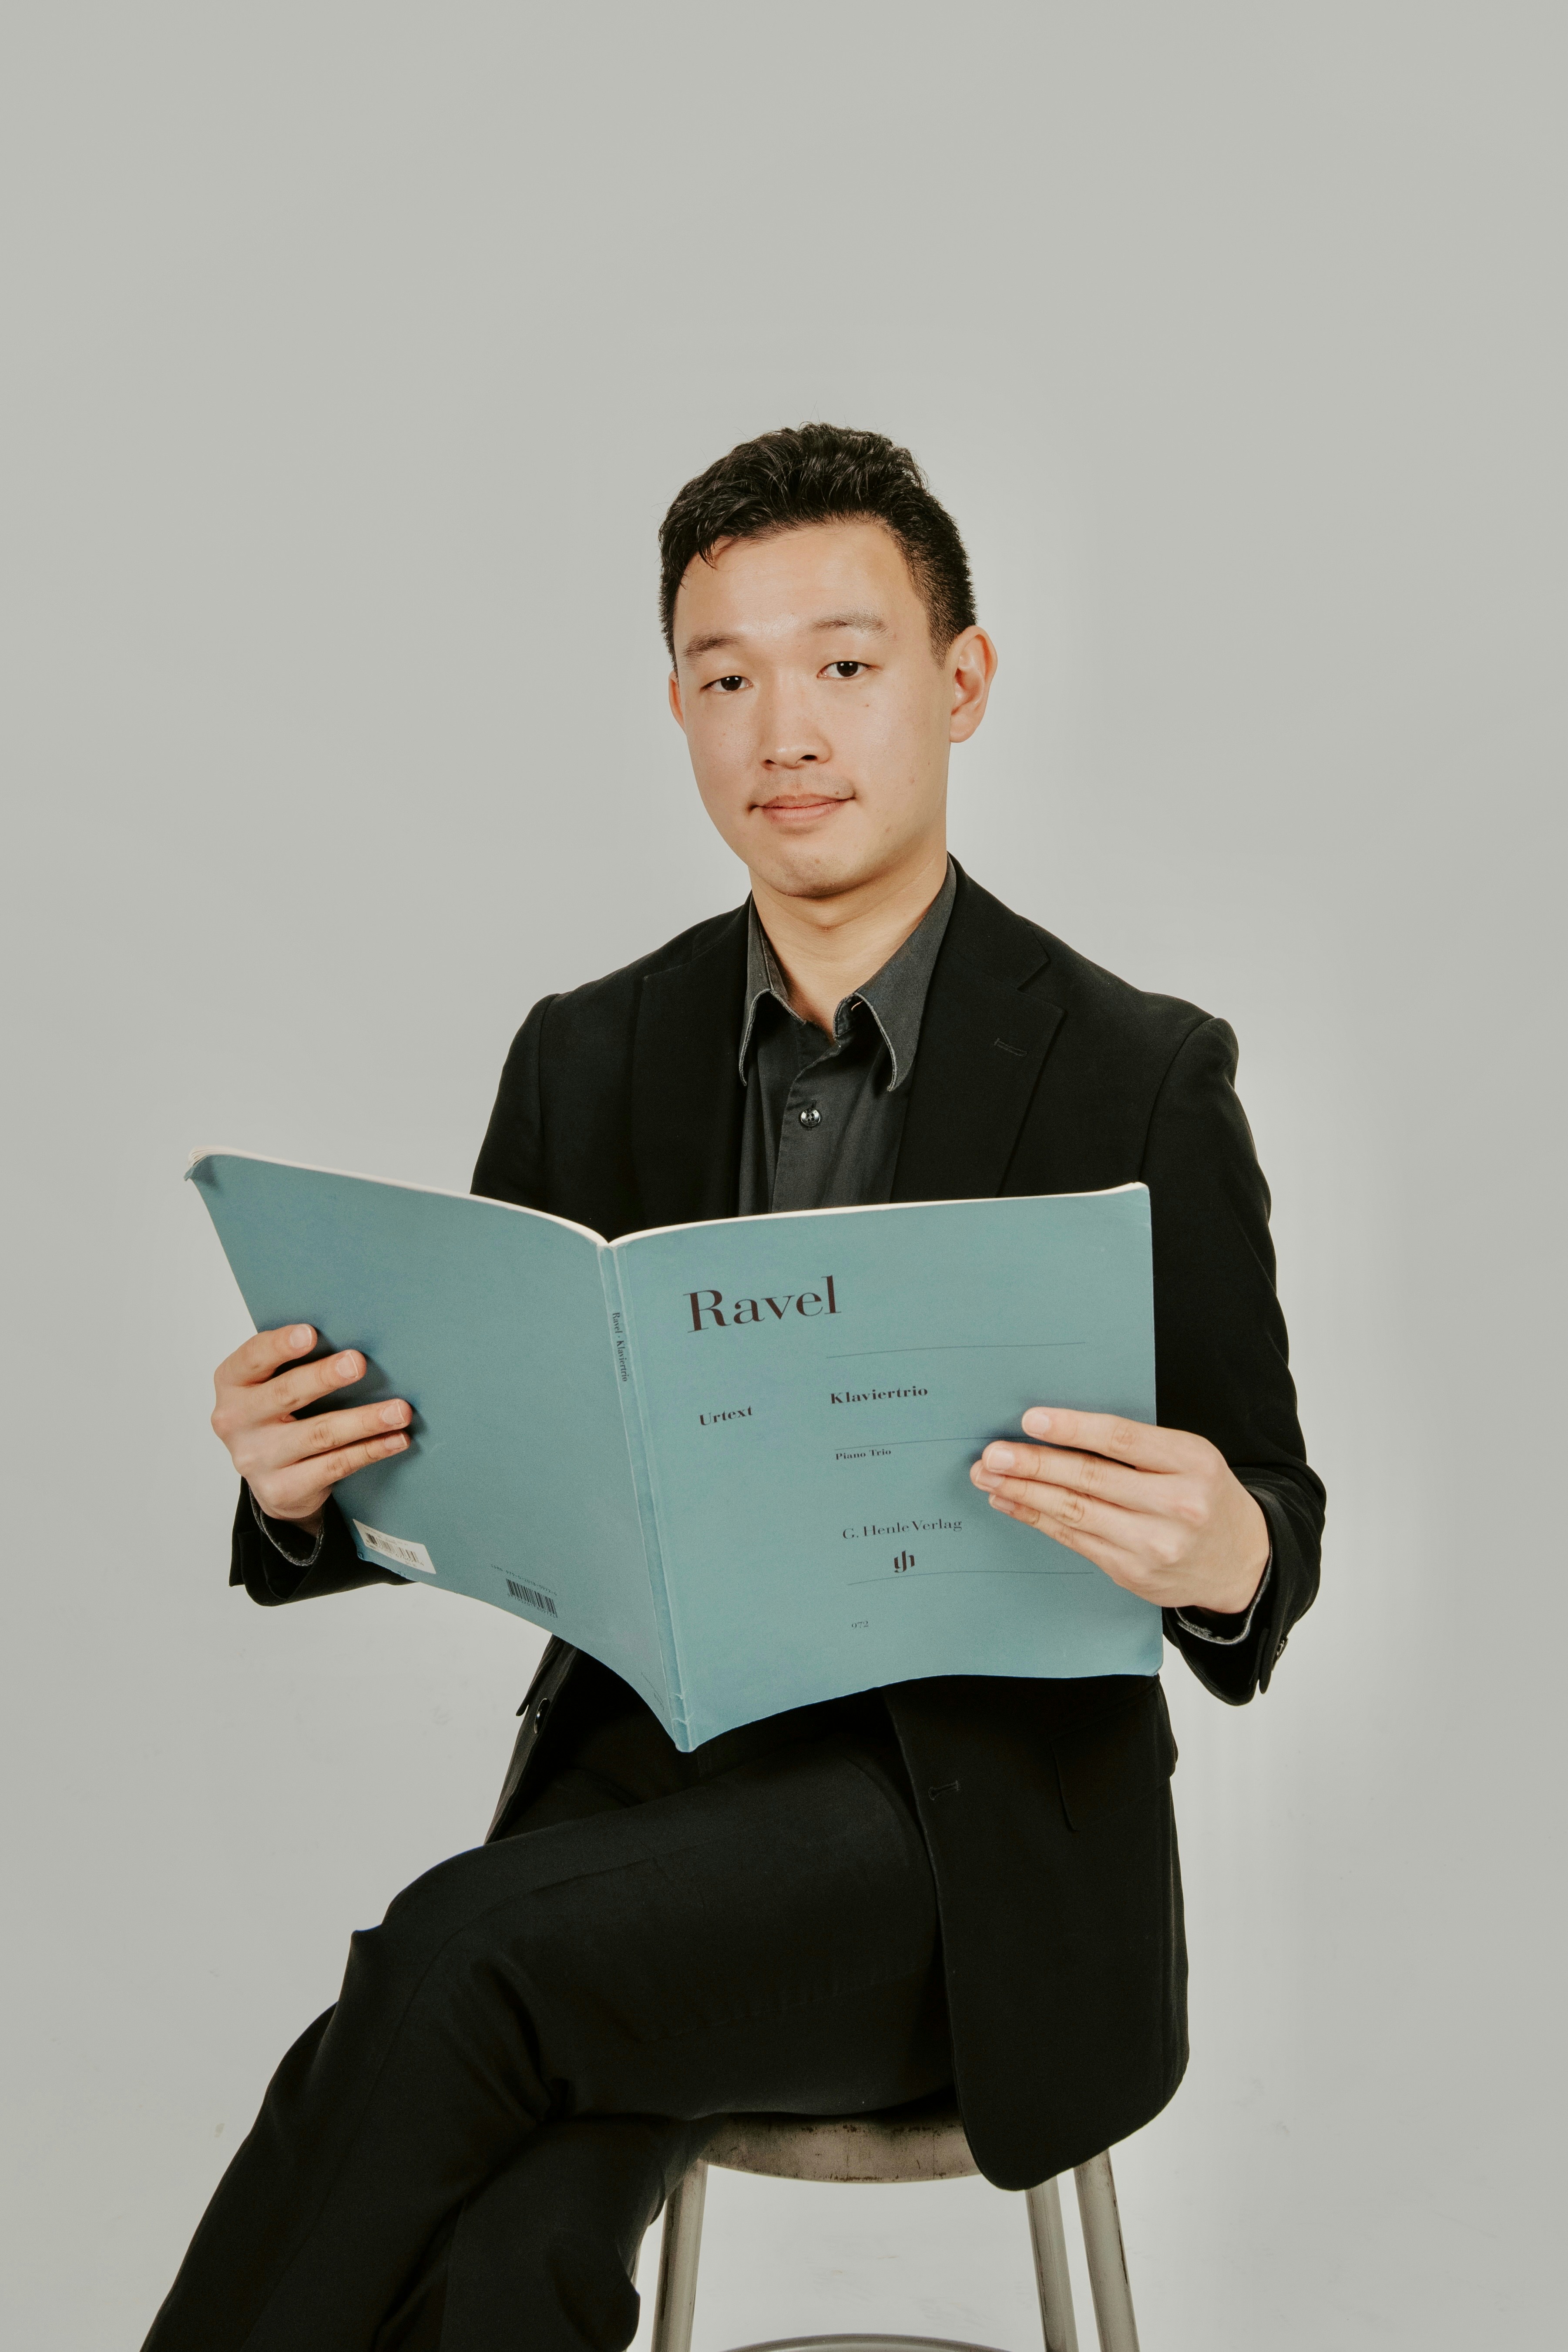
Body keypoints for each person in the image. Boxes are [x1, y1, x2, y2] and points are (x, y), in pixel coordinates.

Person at [143, 424, 1323, 2352]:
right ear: (676, 710)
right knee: (508, 2254)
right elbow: (480, 1454)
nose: (785, 726)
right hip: (644, 1818)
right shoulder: (590, 1050)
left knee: (451, 1956)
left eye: (845, 664)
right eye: (724, 675)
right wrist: (302, 1484)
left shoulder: (1138, 1070)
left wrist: (1220, 1538)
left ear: (960, 683)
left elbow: (1272, 1519)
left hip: (957, 1854)